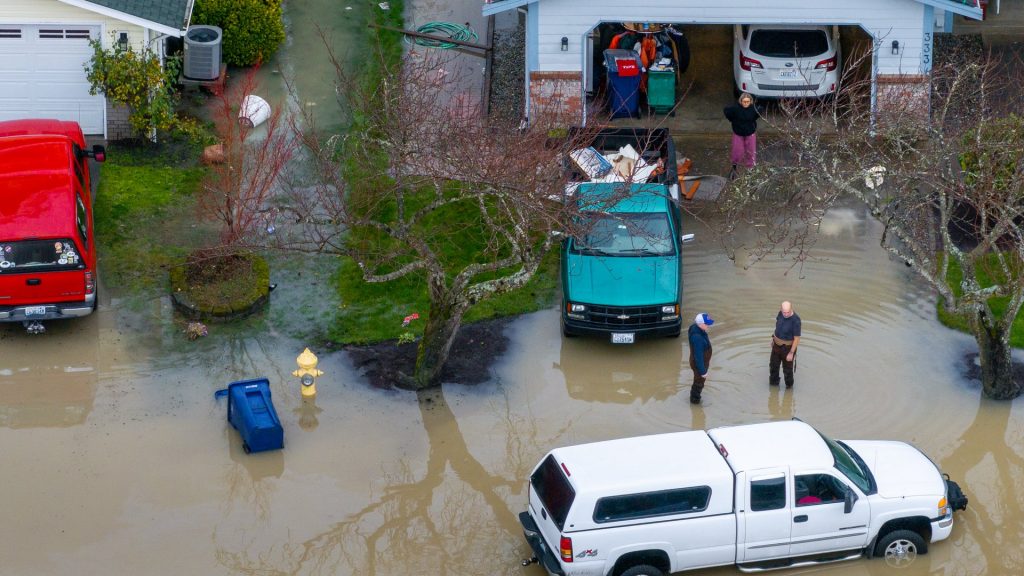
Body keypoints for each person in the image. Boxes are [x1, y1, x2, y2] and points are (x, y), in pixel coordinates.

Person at [723, 92, 759, 178]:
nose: (746, 103)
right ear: (740, 101)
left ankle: (750, 170)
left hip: (750, 134)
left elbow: (757, 114)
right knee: (737, 152)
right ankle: (734, 168)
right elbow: (727, 111)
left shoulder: (754, 109)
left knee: (751, 152)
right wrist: (733, 120)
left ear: (750, 101)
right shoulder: (735, 109)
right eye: (744, 101)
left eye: (747, 101)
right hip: (738, 134)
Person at [770, 301, 801, 388]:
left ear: (791, 309)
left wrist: (791, 352)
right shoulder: (780, 314)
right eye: (784, 312)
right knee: (773, 367)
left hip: (787, 348)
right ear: (781, 309)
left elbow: (797, 338)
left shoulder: (796, 320)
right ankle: (773, 387)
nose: (786, 314)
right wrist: (773, 339)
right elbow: (777, 327)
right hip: (776, 346)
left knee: (787, 371)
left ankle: (789, 390)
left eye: (788, 312)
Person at [687, 312, 714, 404]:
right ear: (700, 324)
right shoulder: (697, 338)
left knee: (698, 380)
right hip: (699, 363)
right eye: (706, 324)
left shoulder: (694, 327)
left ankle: (694, 398)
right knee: (699, 382)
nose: (708, 325)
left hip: (696, 360)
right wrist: (703, 372)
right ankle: (695, 401)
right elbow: (698, 357)